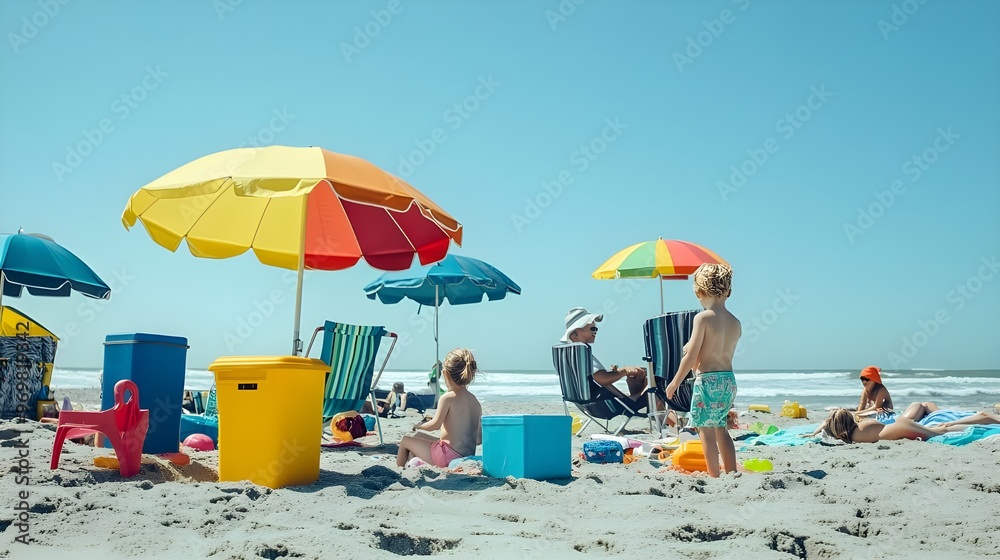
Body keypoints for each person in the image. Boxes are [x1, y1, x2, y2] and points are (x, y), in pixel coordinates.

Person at [665, 263, 741, 478]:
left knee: (704, 430)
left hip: (708, 381)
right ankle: (732, 472)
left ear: (700, 291)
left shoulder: (703, 318)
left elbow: (692, 356)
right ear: (729, 291)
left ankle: (714, 475)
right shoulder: (735, 322)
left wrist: (675, 382)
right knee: (720, 428)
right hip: (728, 381)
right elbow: (717, 350)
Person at [396, 348, 482, 468]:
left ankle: (399, 472)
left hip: (447, 456)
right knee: (418, 437)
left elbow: (434, 426)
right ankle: (414, 465)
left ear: (445, 373)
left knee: (406, 441)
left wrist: (418, 426)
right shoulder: (475, 402)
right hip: (465, 456)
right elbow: (478, 440)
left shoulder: (447, 397)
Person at [561, 307, 648, 401]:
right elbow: (600, 378)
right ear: (576, 331)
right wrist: (624, 371)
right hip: (607, 405)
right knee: (653, 384)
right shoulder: (581, 354)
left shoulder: (570, 355)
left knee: (635, 378)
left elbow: (594, 378)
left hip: (594, 405)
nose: (595, 332)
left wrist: (619, 372)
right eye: (593, 328)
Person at [824, 404, 1000, 443]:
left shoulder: (848, 436)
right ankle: (982, 417)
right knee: (941, 429)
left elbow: (828, 427)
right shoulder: (857, 427)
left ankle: (982, 418)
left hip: (895, 430)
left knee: (942, 432)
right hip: (896, 426)